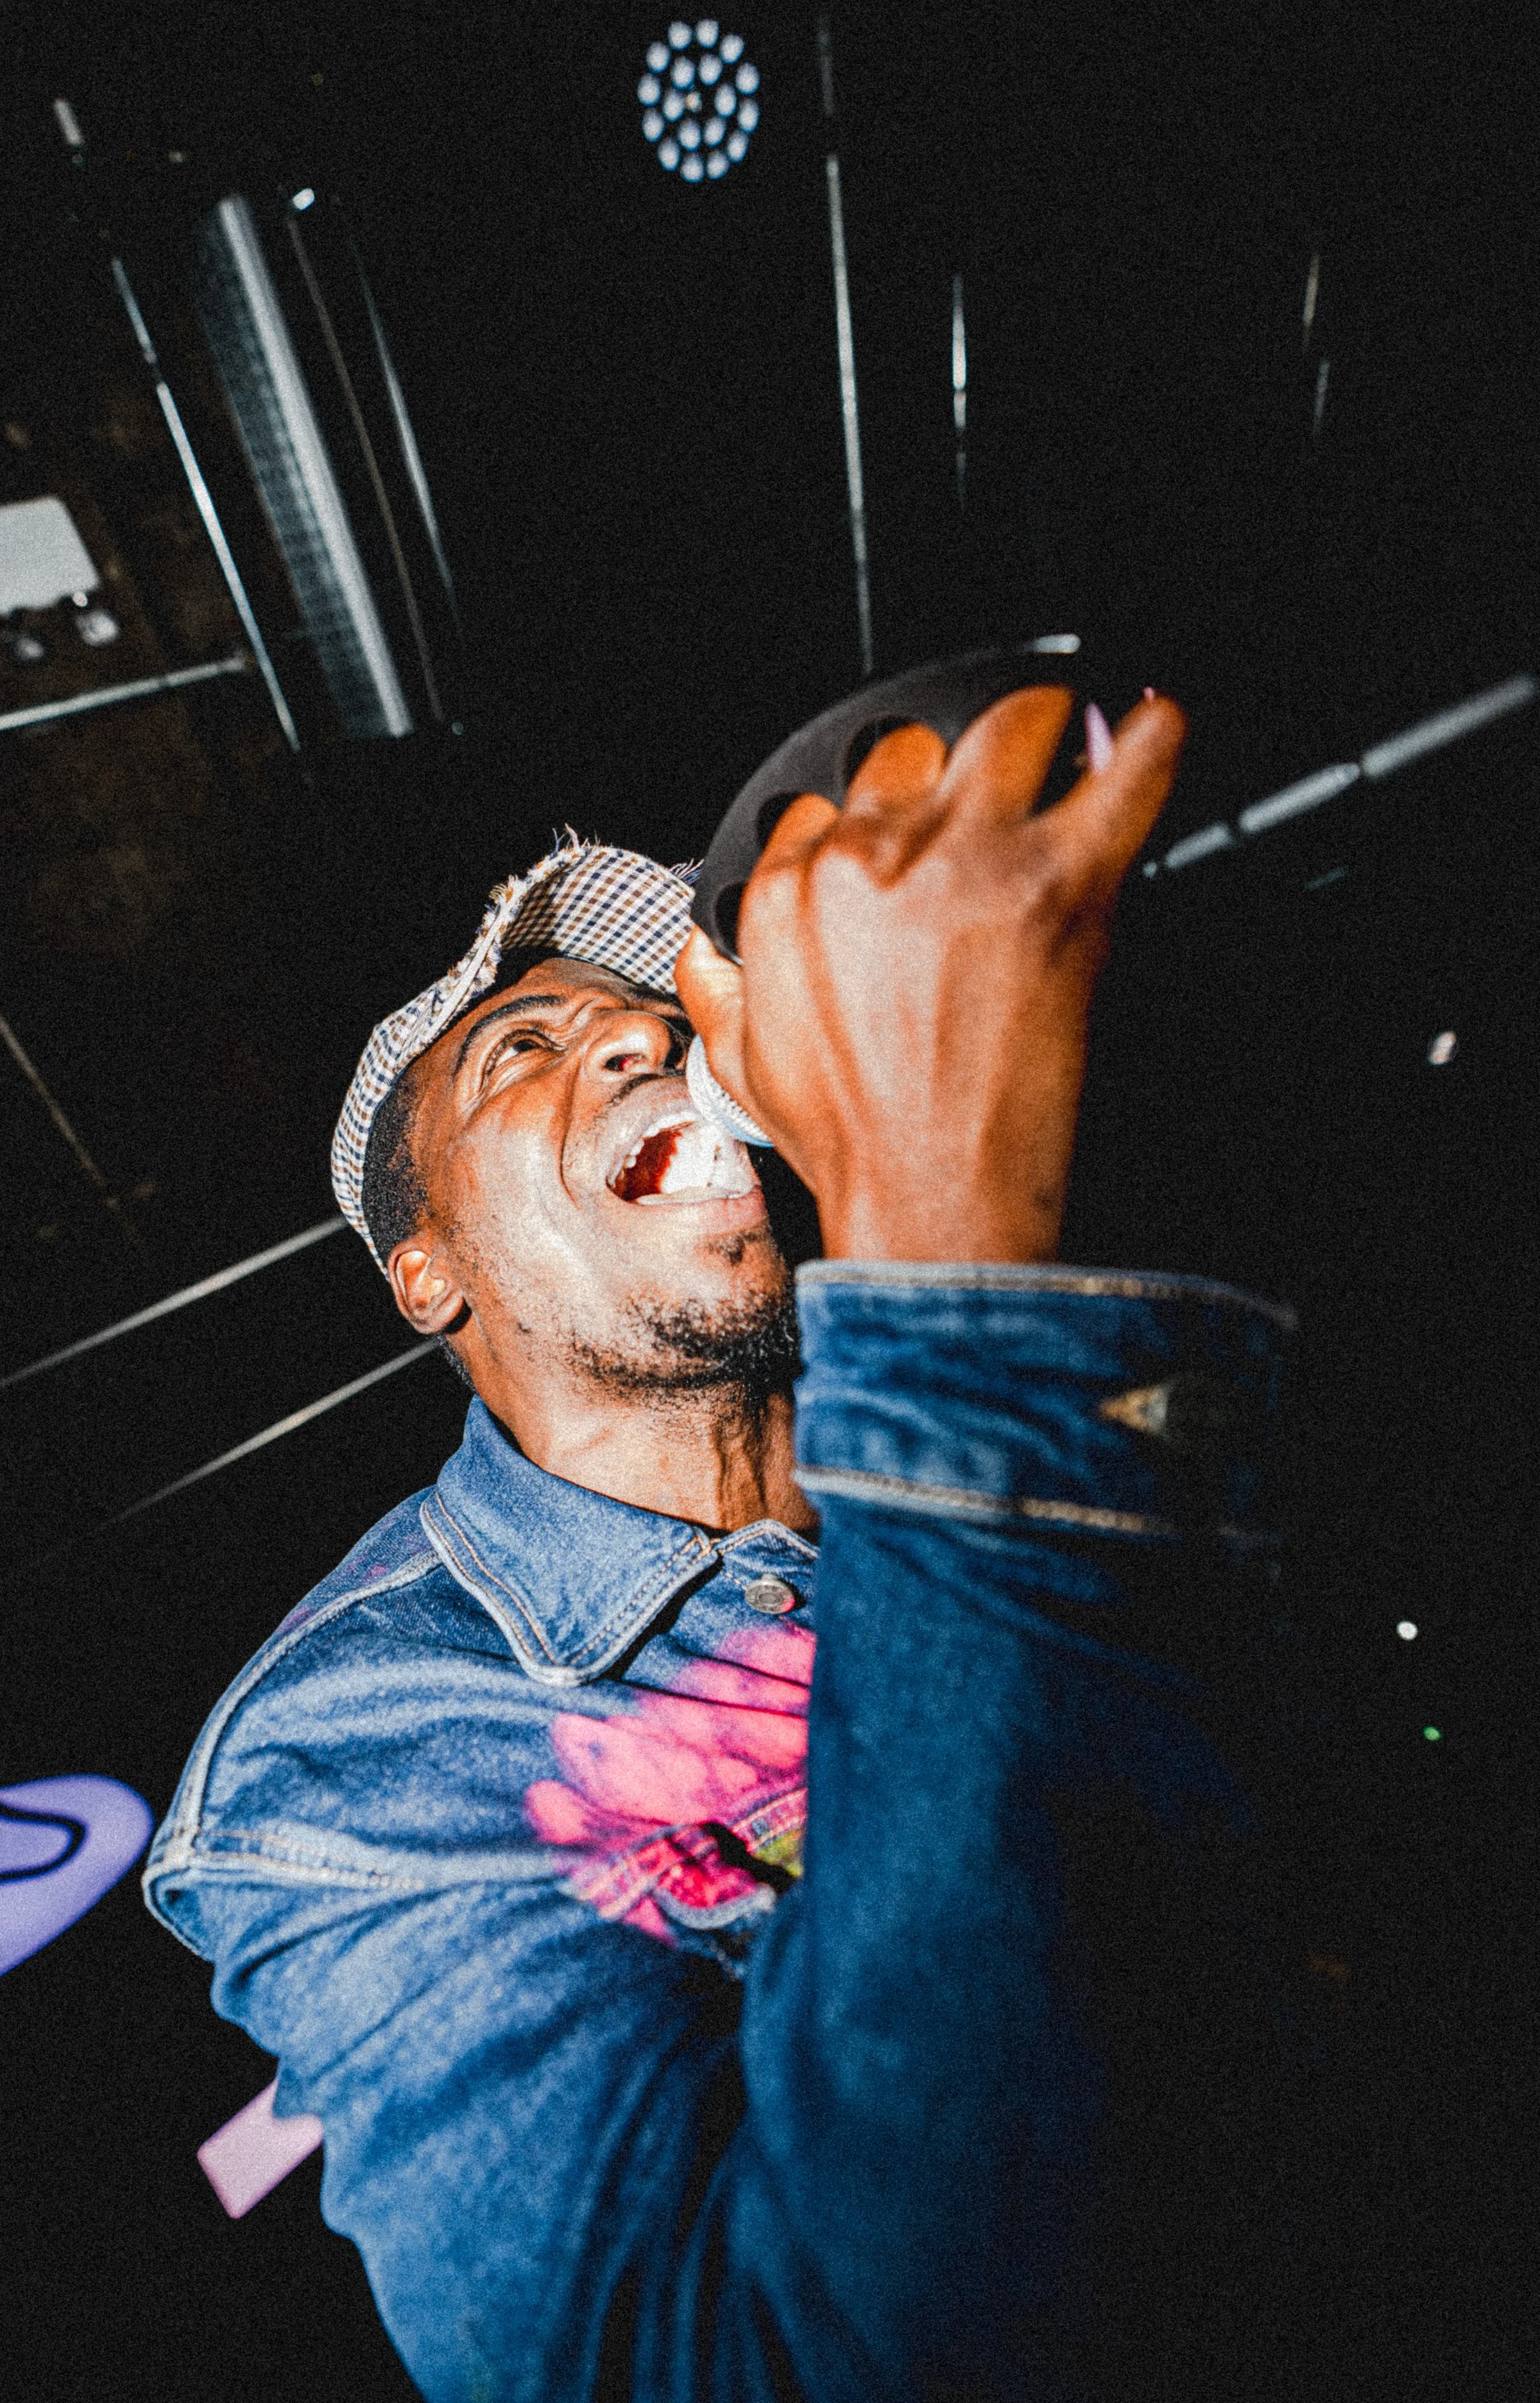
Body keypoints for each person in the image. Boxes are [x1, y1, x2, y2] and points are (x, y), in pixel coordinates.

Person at [145, 687, 1302, 2402]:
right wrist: (941, 1248)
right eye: (521, 1049)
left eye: (651, 1014)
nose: (641, 1039)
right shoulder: (354, 1744)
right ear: (425, 1272)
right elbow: (723, 2365)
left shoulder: (1048, 1414)